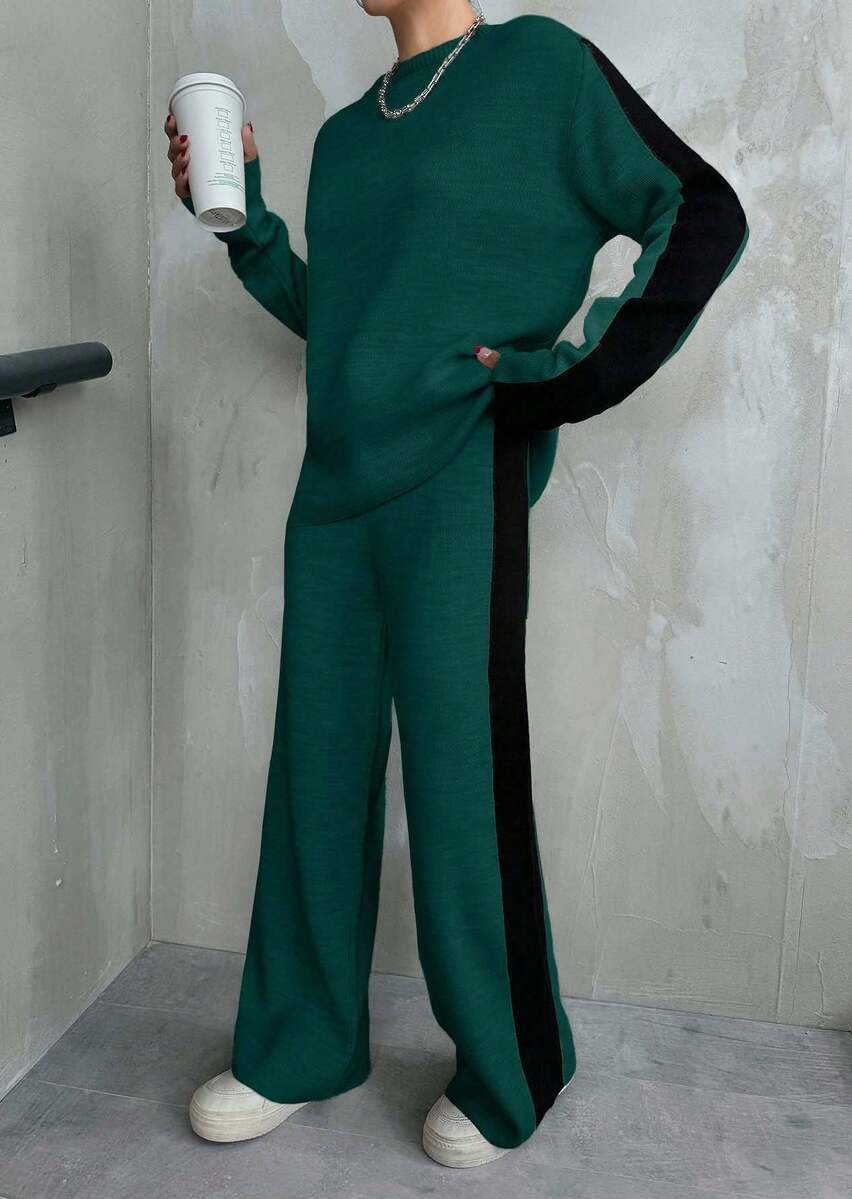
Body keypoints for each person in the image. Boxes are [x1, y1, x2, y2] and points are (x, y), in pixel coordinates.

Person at [164, 0, 748, 1170]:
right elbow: (349, 321)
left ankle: (512, 1060)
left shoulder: (540, 66)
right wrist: (245, 228)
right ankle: (299, 1044)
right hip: (337, 490)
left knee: (459, 776)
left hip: (459, 475)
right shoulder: (346, 138)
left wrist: (560, 378)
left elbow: (703, 211)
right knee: (315, 773)